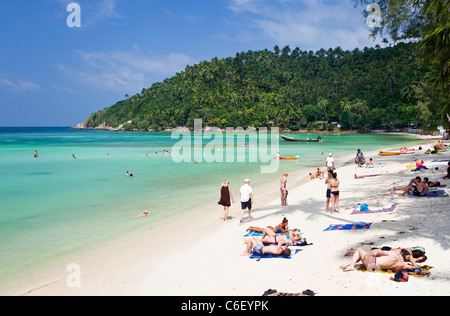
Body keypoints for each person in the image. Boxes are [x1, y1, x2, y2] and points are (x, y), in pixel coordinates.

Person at [340, 247, 420, 272]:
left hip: (371, 262)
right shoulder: (402, 265)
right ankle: (347, 264)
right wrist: (412, 261)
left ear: (401, 253)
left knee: (359, 250)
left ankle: (351, 265)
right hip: (375, 268)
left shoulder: (393, 254)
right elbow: (416, 268)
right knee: (360, 255)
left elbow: (379, 253)